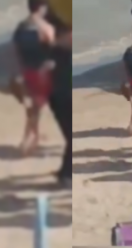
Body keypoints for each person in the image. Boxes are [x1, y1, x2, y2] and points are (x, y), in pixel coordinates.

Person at [11, 0, 56, 155]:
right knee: (37, 107)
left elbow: (16, 50)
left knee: (33, 106)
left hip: (25, 70)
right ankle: (28, 139)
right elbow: (51, 49)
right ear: (41, 7)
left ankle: (34, 135)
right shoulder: (45, 27)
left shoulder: (21, 26)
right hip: (41, 72)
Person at [48, 26, 72, 186]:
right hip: (63, 95)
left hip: (54, 95)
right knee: (70, 136)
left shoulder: (51, 50)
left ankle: (65, 171)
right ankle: (66, 175)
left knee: (68, 136)